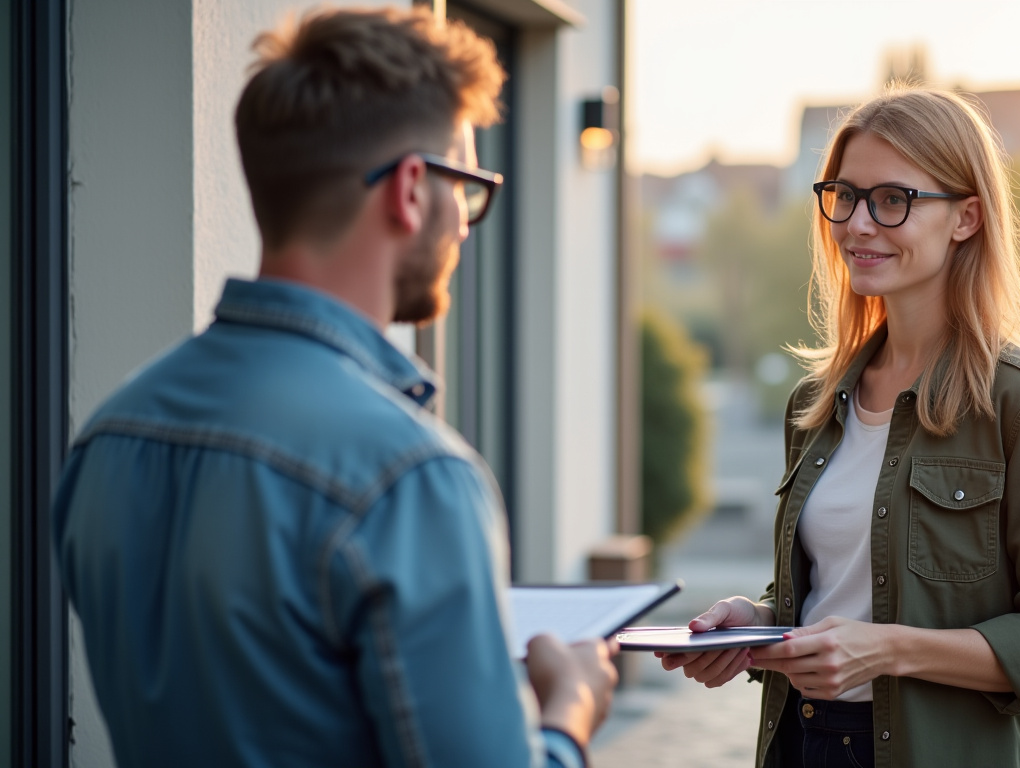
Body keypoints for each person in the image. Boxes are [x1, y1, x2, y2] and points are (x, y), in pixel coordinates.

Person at [53, 8, 616, 768]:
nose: (464, 225)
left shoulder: (110, 433)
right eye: (469, 189)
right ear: (412, 190)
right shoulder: (412, 477)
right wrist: (569, 712)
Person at [658, 85, 1020, 768]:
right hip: (805, 743)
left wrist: (890, 648)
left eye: (892, 200)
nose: (857, 224)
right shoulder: (815, 404)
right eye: (844, 195)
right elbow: (833, 591)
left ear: (966, 218)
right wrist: (756, 623)